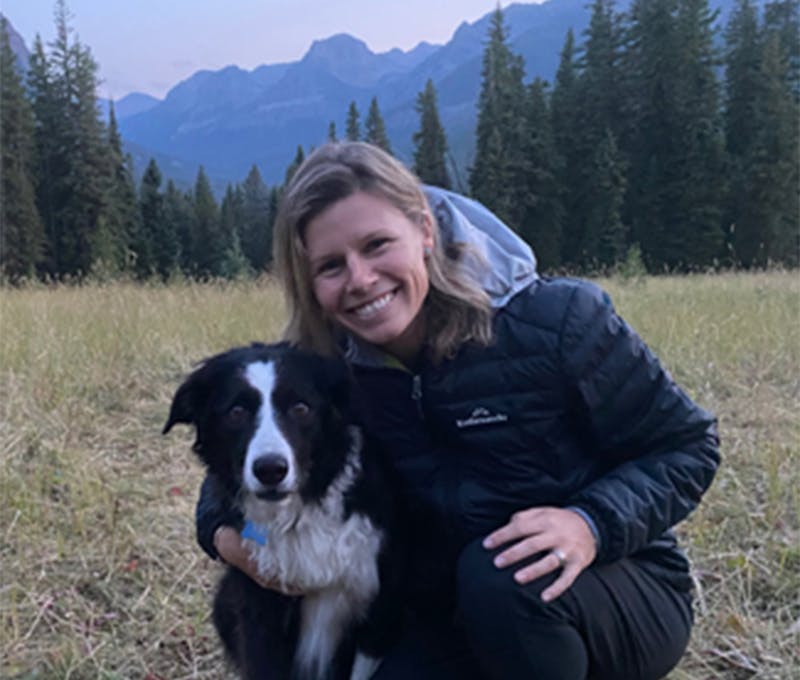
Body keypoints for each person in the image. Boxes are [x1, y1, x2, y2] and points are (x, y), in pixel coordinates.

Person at [195, 141, 719, 679]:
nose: (360, 279)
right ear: (309, 281)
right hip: (444, 609)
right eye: (331, 265)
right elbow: (232, 476)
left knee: (502, 577)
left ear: (425, 231)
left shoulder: (558, 321)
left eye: (377, 244)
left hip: (605, 587)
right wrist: (234, 544)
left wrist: (589, 524)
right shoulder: (325, 375)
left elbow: (688, 445)